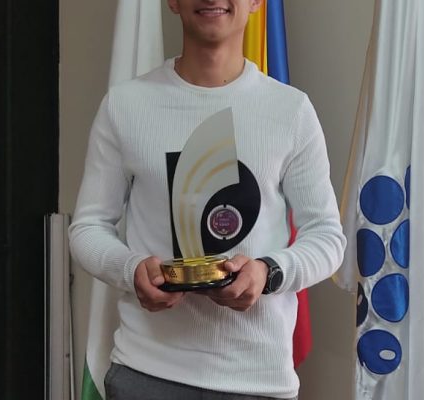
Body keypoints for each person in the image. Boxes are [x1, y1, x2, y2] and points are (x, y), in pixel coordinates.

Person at [68, 0, 346, 398]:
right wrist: (131, 270)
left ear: (256, 3)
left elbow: (327, 237)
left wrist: (268, 273)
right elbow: (88, 227)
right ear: (173, 2)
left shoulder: (291, 111)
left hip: (257, 380)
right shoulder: (125, 105)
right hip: (146, 373)